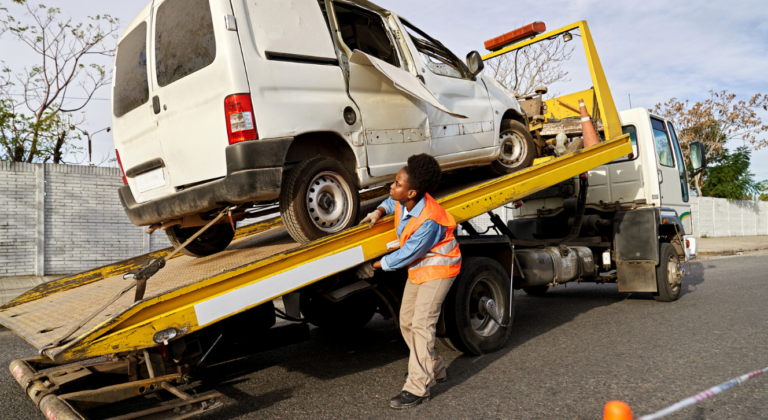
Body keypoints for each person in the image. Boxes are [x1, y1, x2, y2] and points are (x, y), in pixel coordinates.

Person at [355, 154, 461, 409]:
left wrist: (372, 266)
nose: (392, 187)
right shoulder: (406, 200)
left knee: (423, 324)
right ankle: (433, 367)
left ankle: (417, 387)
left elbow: (405, 255)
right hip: (420, 269)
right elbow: (392, 204)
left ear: (411, 191)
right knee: (406, 321)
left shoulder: (429, 220)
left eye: (397, 184)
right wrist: (377, 211)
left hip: (439, 268)